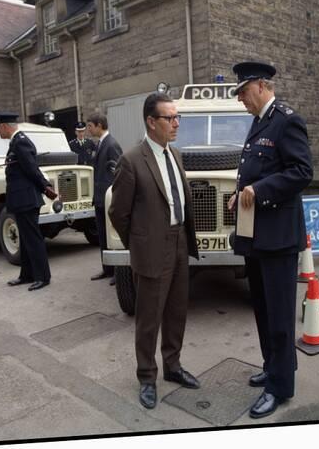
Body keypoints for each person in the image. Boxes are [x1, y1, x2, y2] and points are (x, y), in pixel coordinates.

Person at [227, 62, 313, 419]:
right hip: (256, 235)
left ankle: (280, 386)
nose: (242, 100)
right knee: (262, 309)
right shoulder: (260, 120)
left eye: (244, 93)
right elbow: (254, 169)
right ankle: (271, 366)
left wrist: (258, 191)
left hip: (278, 237)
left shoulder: (286, 120)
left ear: (261, 85)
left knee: (279, 314)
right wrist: (239, 193)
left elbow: (301, 171)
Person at [109, 92, 200, 410]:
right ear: (151, 121)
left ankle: (172, 367)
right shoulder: (131, 160)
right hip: (150, 249)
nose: (176, 124)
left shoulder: (174, 154)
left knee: (177, 311)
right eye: (170, 118)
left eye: (178, 118)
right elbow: (118, 213)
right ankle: (147, 377)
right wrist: (139, 243)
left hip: (178, 243)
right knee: (149, 319)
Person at [0, 112, 58, 291]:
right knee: (25, 239)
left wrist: (45, 187)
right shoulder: (16, 142)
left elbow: (32, 169)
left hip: (27, 200)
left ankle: (43, 277)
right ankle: (27, 275)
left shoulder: (20, 142)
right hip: (21, 199)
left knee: (33, 239)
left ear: (5, 126)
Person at [86, 113, 123, 285]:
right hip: (99, 199)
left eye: (90, 126)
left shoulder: (111, 144)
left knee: (111, 236)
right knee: (102, 236)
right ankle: (107, 268)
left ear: (99, 125)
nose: (88, 130)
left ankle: (117, 272)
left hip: (108, 199)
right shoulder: (100, 144)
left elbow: (118, 174)